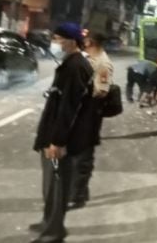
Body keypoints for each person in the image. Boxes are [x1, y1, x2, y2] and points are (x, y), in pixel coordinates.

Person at [30, 23, 93, 243]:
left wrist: (58, 141)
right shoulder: (70, 64)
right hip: (52, 136)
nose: (54, 43)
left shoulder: (76, 67)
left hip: (60, 139)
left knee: (56, 187)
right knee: (50, 186)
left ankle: (54, 232)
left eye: (58, 39)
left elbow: (69, 107)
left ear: (72, 41)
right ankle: (49, 223)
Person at [68, 32, 114, 209]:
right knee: (74, 154)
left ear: (90, 42)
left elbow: (102, 91)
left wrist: (82, 92)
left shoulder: (102, 63)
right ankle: (79, 191)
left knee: (83, 156)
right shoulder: (87, 58)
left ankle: (77, 195)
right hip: (80, 112)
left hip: (90, 113)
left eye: (84, 40)